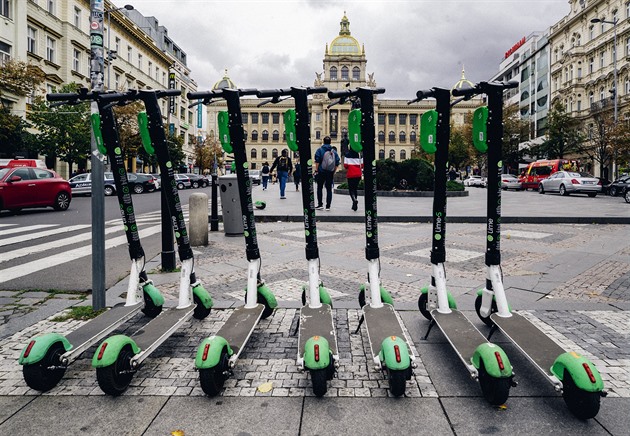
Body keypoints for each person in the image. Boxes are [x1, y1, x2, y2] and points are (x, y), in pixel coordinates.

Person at [314, 136, 340, 211]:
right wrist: (333, 171)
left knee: (320, 187)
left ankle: (320, 204)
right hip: (330, 172)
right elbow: (337, 162)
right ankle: (328, 206)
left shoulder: (320, 150)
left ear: (323, 141)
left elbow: (317, 161)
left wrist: (316, 170)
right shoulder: (334, 151)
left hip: (321, 172)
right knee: (329, 189)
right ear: (330, 142)